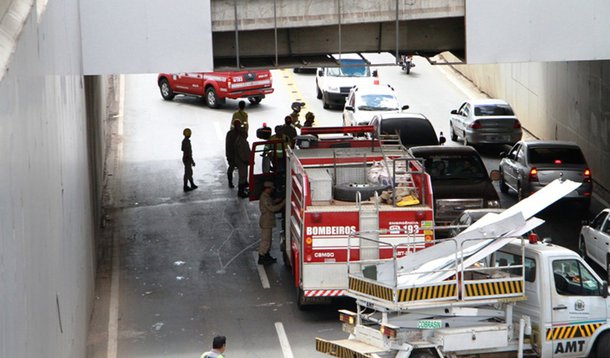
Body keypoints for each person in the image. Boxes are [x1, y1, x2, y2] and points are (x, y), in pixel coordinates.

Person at [258, 181, 285, 265]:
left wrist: (280, 199)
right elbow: (273, 208)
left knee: (268, 240)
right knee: (265, 240)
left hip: (268, 221)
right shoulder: (264, 198)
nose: (272, 190)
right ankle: (262, 256)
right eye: (271, 189)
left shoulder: (267, 196)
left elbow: (273, 202)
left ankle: (266, 255)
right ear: (267, 188)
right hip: (266, 221)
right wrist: (283, 203)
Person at [234, 126, 251, 198]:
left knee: (244, 176)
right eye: (245, 133)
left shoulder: (242, 140)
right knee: (242, 177)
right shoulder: (240, 141)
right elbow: (241, 153)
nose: (246, 134)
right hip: (242, 162)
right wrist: (246, 160)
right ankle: (240, 192)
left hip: (244, 162)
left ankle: (243, 190)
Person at [225, 120, 242, 188]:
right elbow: (229, 145)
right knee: (232, 168)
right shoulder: (233, 133)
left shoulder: (231, 133)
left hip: (237, 155)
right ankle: (230, 182)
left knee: (237, 169)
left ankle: (240, 183)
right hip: (233, 155)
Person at [181, 128, 198, 192]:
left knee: (188, 172)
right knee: (188, 173)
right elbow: (189, 153)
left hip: (185, 158)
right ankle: (186, 186)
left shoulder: (184, 141)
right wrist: (192, 161)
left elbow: (182, 149)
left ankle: (191, 184)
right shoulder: (187, 142)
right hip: (187, 159)